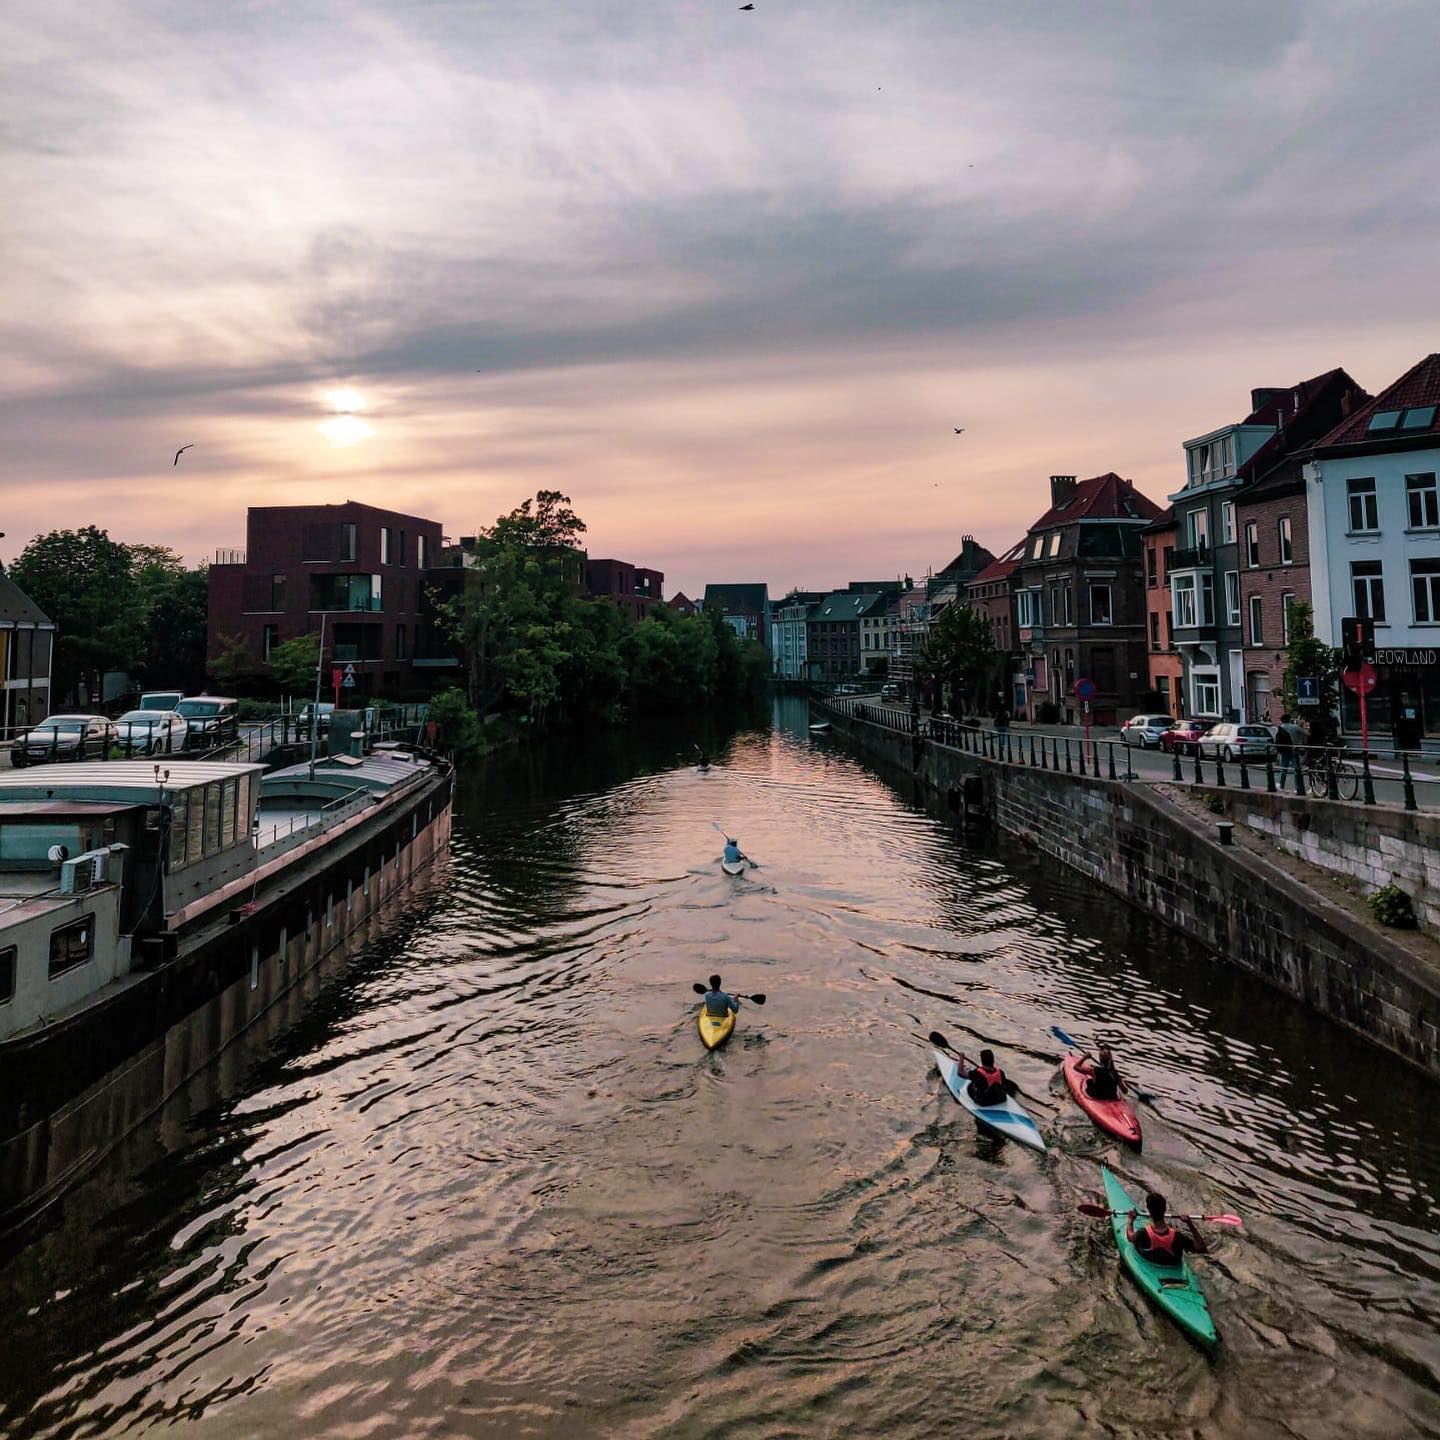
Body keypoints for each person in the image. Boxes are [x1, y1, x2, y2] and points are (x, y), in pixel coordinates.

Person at [1126, 1191, 1207, 1266]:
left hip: (1150, 1261)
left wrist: (1130, 1221)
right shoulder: (1177, 1236)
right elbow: (1201, 1247)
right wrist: (1190, 1224)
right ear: (1165, 1209)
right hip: (1172, 1265)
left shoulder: (1143, 1233)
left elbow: (1130, 1237)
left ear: (1149, 1211)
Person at [1275, 712, 1298, 784]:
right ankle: (1297, 787)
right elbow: (1306, 734)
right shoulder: (1295, 727)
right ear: (1289, 719)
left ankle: (1281, 785)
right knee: (1296, 769)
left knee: (1283, 768)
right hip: (1294, 749)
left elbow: (1275, 739)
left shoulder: (1279, 728)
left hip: (1284, 750)